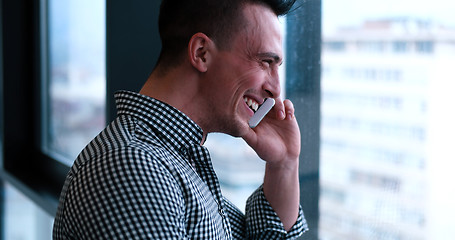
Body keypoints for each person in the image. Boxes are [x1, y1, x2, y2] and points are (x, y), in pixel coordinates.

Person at [53, 0, 308, 239]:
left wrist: (283, 164)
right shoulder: (133, 168)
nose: (275, 89)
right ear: (201, 53)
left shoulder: (176, 162)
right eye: (265, 62)